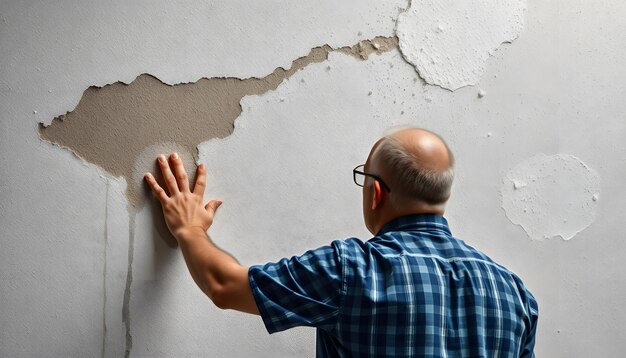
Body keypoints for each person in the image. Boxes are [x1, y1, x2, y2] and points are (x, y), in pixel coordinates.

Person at [144, 127, 538, 357]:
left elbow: (224, 285)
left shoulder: (351, 270)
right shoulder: (515, 293)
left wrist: (190, 228)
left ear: (376, 194)